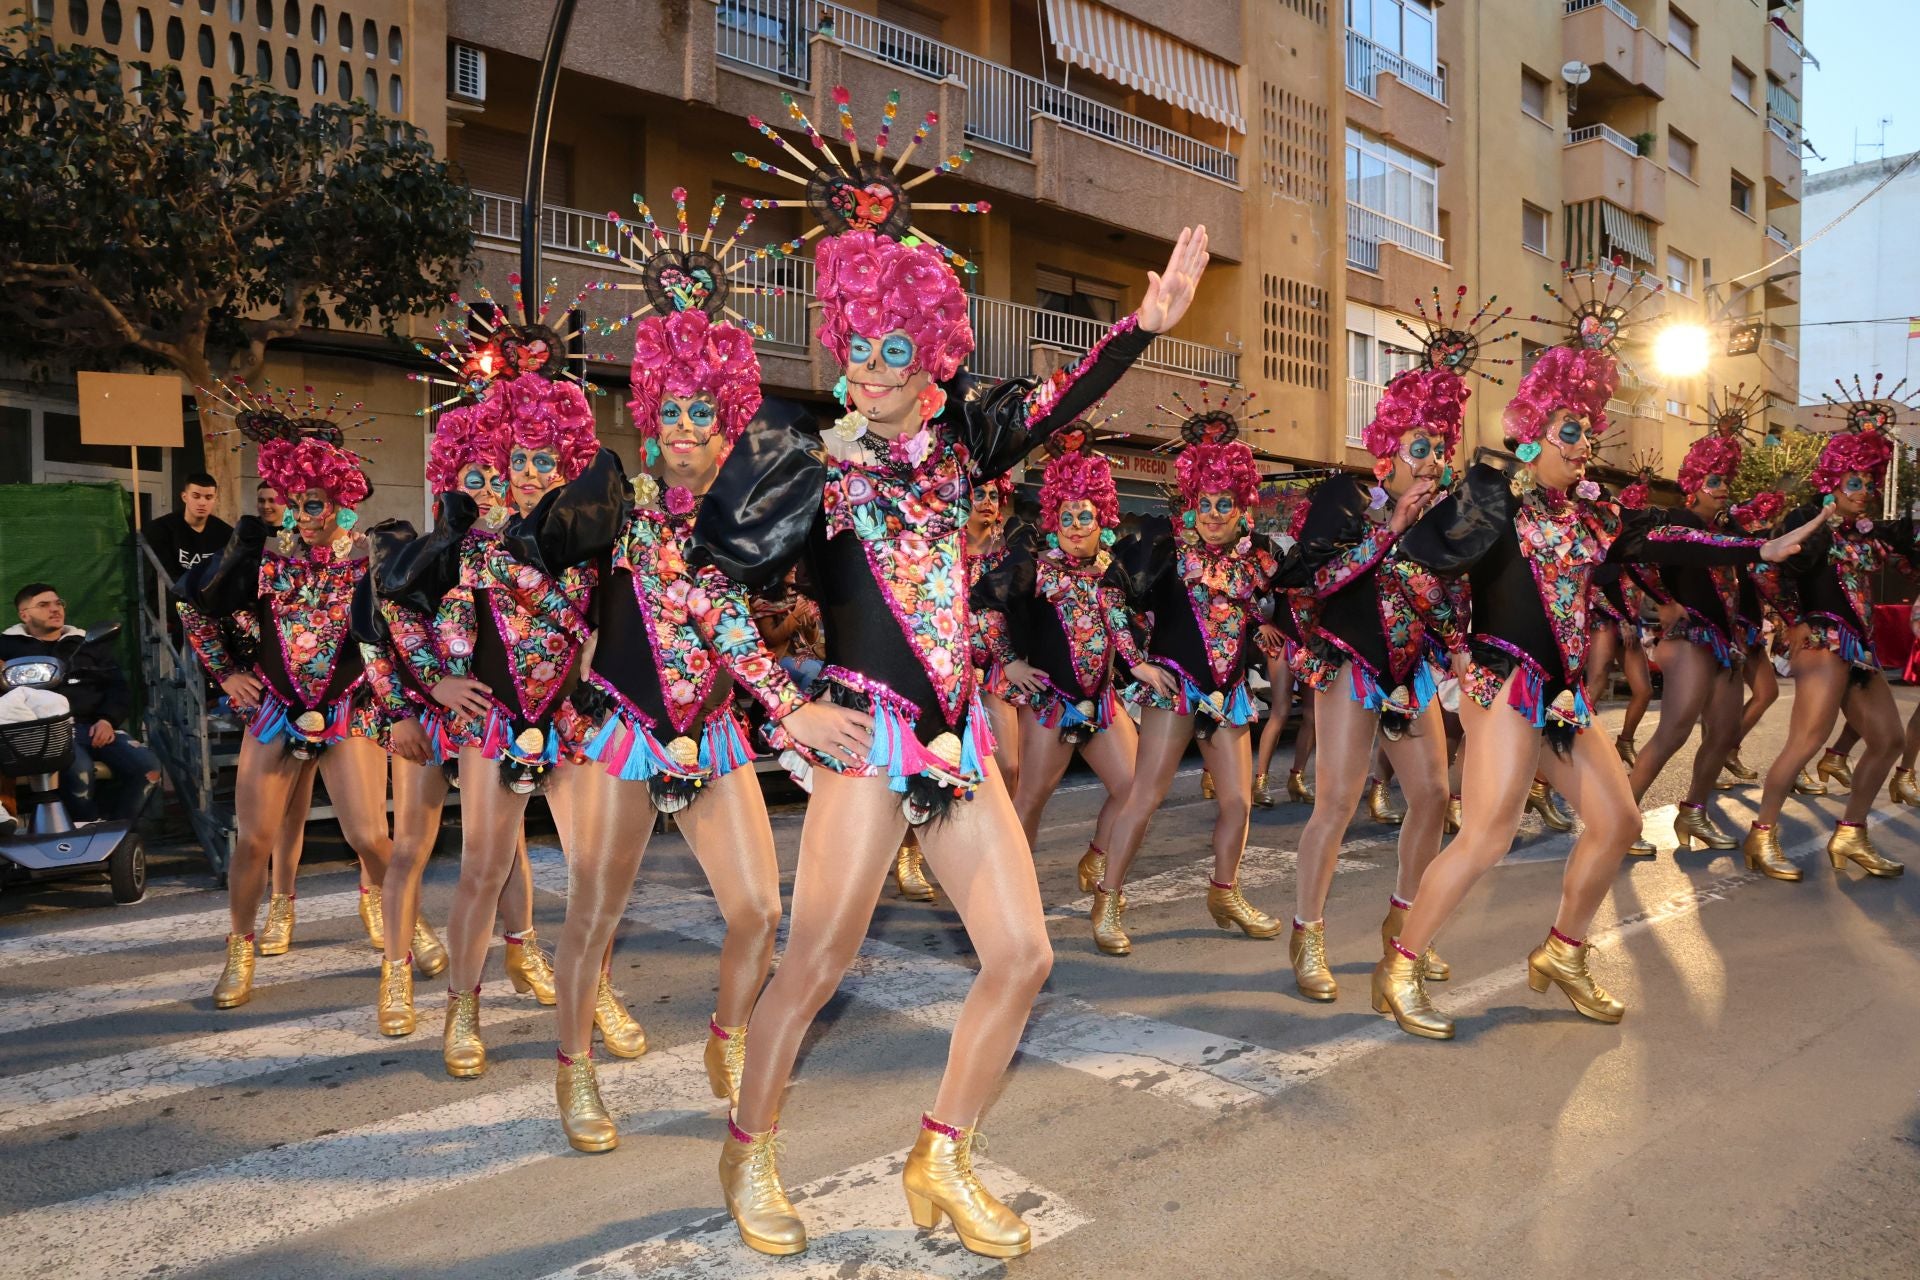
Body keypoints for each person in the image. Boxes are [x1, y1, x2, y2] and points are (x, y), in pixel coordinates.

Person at [695, 91, 1210, 1257]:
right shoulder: (804, 464)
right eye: (855, 350)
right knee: (817, 959)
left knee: (1024, 953)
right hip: (866, 736)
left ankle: (942, 1149)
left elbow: (1055, 398)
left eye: (892, 351)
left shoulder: (966, 438)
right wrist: (788, 699)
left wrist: (1142, 322)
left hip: (957, 738)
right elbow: (701, 589)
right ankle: (751, 1144)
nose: (868, 372)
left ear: (926, 353)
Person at [1381, 340, 1821, 1040]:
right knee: (1488, 836)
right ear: (1533, 434)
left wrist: (1755, 549)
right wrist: (1457, 647)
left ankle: (1562, 951)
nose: (1587, 445)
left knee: (1616, 823)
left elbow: (1671, 538)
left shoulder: (1594, 518)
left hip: (1561, 696)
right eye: (1573, 431)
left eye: (1591, 431)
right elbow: (1414, 565)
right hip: (1507, 684)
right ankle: (1400, 967)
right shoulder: (1495, 504)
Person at [377, 374, 600, 1077]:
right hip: (494, 722)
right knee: (482, 867)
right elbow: (398, 611)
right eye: (518, 461)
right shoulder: (470, 546)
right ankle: (462, 1009)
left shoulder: (589, 548)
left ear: (566, 466)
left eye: (544, 462)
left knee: (595, 872)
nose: (529, 476)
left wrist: (593, 689)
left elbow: (608, 627)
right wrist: (435, 683)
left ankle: (598, 996)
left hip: (568, 724)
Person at [1282, 333, 1477, 1003]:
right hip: (1350, 663)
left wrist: (1459, 646)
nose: (1432, 463)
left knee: (1432, 797)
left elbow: (1446, 598)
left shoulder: (1439, 519)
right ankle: (1307, 933)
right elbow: (1317, 583)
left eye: (1440, 450)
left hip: (1410, 671)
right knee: (1335, 803)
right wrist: (1390, 527)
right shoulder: (1343, 500)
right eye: (1419, 448)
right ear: (1387, 451)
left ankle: (1404, 929)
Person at [176, 433, 395, 1009]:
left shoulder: (373, 563)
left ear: (345, 502)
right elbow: (193, 605)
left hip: (350, 709)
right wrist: (225, 673)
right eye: (294, 504)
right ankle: (241, 947)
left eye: (313, 504)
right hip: (275, 710)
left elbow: (401, 636)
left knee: (370, 835)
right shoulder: (267, 564)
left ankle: (398, 917)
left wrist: (394, 700)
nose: (301, 516)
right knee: (254, 840)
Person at [1096, 398, 1292, 957]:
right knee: (1144, 796)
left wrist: (1263, 629)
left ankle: (1225, 891)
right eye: (1203, 502)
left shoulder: (1257, 559)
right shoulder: (1164, 551)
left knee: (1239, 801)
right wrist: (1135, 660)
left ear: (1240, 506)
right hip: (1175, 685)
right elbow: (1109, 595)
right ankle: (1108, 899)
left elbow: (1258, 607)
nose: (1211, 512)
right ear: (1191, 502)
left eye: (1222, 503)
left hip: (1227, 692)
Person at [1744, 379, 1917, 881]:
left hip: (1858, 650)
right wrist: (1792, 621)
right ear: (1832, 483)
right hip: (1821, 642)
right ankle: (1762, 835)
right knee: (1806, 742)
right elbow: (1763, 569)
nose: (1864, 493)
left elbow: (1907, 558)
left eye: (1869, 483)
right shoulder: (1808, 524)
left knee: (1887, 740)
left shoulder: (1866, 536)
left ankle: (1851, 833)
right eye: (1855, 484)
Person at [973, 441, 1151, 923]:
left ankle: (1099, 860)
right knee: (1029, 798)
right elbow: (987, 606)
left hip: (1103, 701)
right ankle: (1013, 893)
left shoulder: (1112, 570)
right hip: (1050, 704)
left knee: (1135, 790)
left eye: (1084, 517)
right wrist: (1008, 661)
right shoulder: (1035, 566)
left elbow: (1133, 622)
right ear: (1055, 519)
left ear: (1102, 520)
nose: (1075, 528)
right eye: (1067, 517)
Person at [1625, 402, 1786, 858]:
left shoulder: (1726, 530)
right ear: (1692, 487)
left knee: (1722, 733)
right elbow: (1635, 560)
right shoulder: (1679, 524)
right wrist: (1664, 601)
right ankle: (1620, 821)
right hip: (1693, 639)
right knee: (1673, 732)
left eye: (1725, 482)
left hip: (1728, 646)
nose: (1723, 490)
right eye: (1713, 482)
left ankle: (1693, 810)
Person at [1, 584, 160, 822]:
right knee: (80, 771)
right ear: (24, 614)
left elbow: (118, 688)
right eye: (43, 605)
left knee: (148, 767)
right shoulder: (6, 647)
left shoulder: (88, 642)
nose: (55, 610)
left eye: (58, 603)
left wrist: (107, 720)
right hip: (45, 732)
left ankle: (119, 835)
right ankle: (86, 831)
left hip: (96, 727)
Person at [144, 472, 232, 583]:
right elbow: (167, 577)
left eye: (208, 497)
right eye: (196, 496)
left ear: (215, 499)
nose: (202, 502)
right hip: (175, 596)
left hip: (210, 597)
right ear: (184, 497)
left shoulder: (226, 534)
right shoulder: (162, 529)